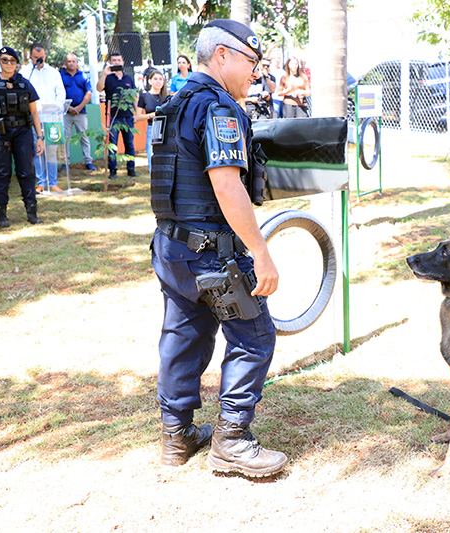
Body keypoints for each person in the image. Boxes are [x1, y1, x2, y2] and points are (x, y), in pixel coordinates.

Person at [149, 19, 287, 478]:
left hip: (172, 249)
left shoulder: (173, 104)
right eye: (252, 62)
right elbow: (227, 188)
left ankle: (177, 436)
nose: (256, 72)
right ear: (222, 56)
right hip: (212, 254)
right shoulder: (218, 109)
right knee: (255, 337)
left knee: (183, 336)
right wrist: (261, 253)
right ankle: (232, 439)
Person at [0, 46, 44, 227]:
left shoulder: (24, 84)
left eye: (12, 61)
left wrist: (40, 137)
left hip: (23, 132)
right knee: (1, 173)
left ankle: (32, 213)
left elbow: (34, 113)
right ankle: (1, 216)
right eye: (5, 60)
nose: (9, 64)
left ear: (16, 63)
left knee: (26, 172)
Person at [26, 43, 65, 193]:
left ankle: (53, 181)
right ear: (30, 56)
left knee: (51, 151)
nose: (38, 60)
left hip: (52, 118)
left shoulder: (54, 72)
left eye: (41, 57)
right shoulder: (25, 73)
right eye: (36, 58)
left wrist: (56, 106)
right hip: (34, 118)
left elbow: (61, 94)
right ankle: (41, 182)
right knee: (38, 150)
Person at [97, 52, 137, 179]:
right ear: (110, 62)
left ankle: (131, 169)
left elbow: (134, 96)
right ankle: (112, 170)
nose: (116, 62)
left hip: (128, 116)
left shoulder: (128, 78)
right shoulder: (108, 77)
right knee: (112, 145)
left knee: (129, 144)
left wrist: (137, 113)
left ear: (123, 62)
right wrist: (104, 73)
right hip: (112, 117)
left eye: (119, 60)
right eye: (113, 60)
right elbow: (99, 88)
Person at [61, 53, 97, 172]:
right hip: (66, 113)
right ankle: (65, 162)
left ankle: (88, 161)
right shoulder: (61, 76)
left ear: (77, 63)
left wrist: (79, 107)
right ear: (65, 63)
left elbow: (89, 93)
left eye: (73, 61)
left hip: (81, 113)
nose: (71, 63)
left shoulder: (83, 76)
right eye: (69, 61)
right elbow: (58, 94)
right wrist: (69, 107)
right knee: (65, 138)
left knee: (84, 137)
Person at [135, 69, 167, 173]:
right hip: (152, 127)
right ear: (150, 81)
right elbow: (138, 116)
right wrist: (151, 115)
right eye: (155, 79)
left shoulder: (167, 97)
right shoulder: (145, 96)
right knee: (151, 153)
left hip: (166, 128)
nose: (158, 82)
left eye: (160, 79)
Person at [268, 47, 285, 118]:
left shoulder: (283, 72)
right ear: (272, 59)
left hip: (282, 98)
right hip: (273, 98)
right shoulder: (269, 70)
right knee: (275, 117)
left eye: (279, 58)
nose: (277, 60)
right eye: (275, 58)